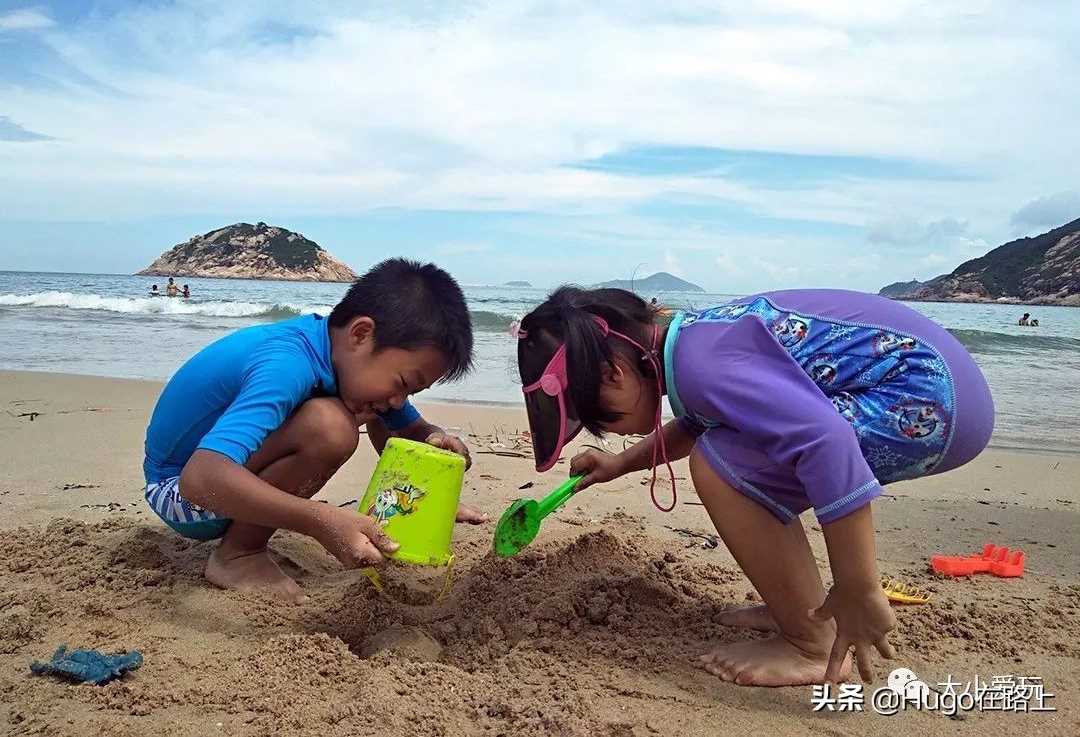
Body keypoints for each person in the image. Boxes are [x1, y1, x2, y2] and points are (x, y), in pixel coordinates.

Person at [514, 287, 993, 687]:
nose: (613, 431)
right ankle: (801, 608)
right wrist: (621, 464)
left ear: (611, 373)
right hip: (940, 389)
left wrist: (858, 587)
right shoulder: (692, 345)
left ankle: (811, 643)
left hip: (925, 400)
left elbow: (826, 441)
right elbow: (701, 420)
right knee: (729, 447)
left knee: (723, 464)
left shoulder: (704, 364)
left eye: (603, 419)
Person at [142, 258, 487, 602]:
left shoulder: (341, 359)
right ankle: (238, 556)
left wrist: (435, 464)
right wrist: (320, 521)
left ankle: (243, 545)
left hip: (219, 482)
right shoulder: (286, 364)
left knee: (373, 406)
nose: (400, 401)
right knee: (330, 427)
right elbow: (199, 479)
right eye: (403, 383)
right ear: (361, 334)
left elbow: (410, 429)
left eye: (411, 393)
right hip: (181, 493)